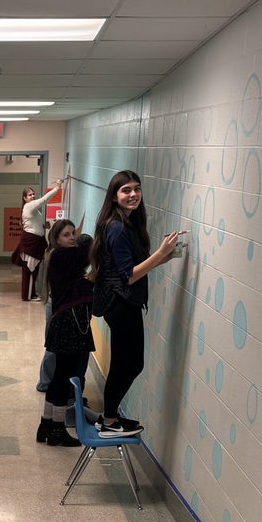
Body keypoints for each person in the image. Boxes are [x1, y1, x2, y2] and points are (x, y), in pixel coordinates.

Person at [90, 170, 181, 437]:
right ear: (115, 196)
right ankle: (108, 421)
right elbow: (129, 275)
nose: (133, 195)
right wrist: (160, 253)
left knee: (132, 364)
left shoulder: (126, 223)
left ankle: (110, 416)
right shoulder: (117, 227)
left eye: (137, 189)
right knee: (124, 364)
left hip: (126, 303)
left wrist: (165, 256)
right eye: (126, 190)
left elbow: (134, 268)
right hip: (121, 305)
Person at [36, 223, 94, 447]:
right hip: (69, 325)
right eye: (67, 235)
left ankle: (46, 424)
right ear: (56, 239)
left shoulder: (59, 258)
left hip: (65, 324)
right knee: (63, 377)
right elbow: (89, 248)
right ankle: (57, 430)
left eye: (74, 234)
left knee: (59, 376)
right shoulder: (61, 256)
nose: (72, 238)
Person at [12, 179, 63, 301]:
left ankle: (31, 294)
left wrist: (43, 225)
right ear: (25, 198)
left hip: (35, 242)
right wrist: (57, 188)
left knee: (33, 270)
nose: (33, 196)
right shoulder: (29, 206)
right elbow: (44, 200)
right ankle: (27, 295)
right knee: (29, 270)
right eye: (30, 195)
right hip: (31, 242)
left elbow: (34, 223)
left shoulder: (32, 209)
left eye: (33, 194)